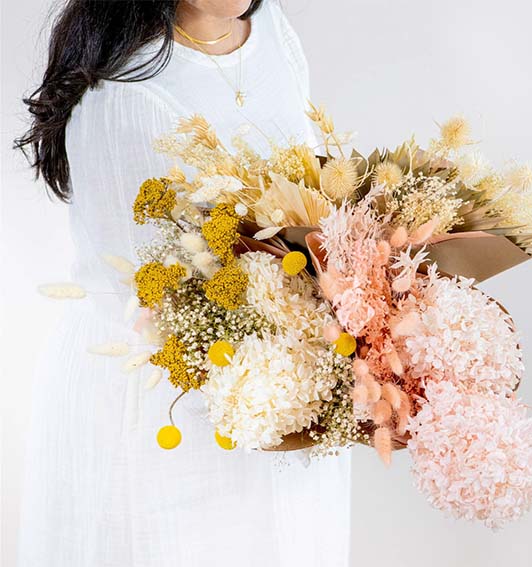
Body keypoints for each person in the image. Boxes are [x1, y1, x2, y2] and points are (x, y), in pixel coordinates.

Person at [15, 1, 351, 565]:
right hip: (167, 402)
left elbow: (306, 194)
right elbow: (147, 294)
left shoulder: (273, 34)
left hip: (284, 386)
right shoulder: (125, 95)